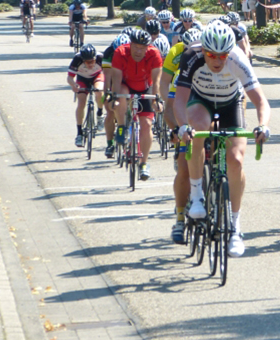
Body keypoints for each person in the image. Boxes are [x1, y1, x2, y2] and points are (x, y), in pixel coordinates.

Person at [173, 22, 271, 256]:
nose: (217, 61)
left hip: (231, 103)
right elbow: (179, 100)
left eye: (222, 55)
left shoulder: (238, 59)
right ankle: (196, 196)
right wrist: (182, 127)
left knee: (236, 159)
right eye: (211, 55)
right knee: (197, 127)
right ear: (203, 50)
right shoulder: (191, 56)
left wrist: (263, 126)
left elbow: (261, 101)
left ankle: (235, 227)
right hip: (201, 100)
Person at [159, 27, 202, 244]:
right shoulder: (181, 66)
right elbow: (170, 106)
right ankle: (179, 218)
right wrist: (177, 129)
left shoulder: (219, 67)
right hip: (187, 119)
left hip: (209, 114)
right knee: (184, 168)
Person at [109, 29, 164, 180]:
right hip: (126, 84)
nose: (139, 51)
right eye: (136, 47)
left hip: (146, 87)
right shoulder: (120, 52)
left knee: (146, 124)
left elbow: (157, 80)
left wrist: (156, 99)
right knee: (120, 96)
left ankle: (144, 163)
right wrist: (114, 98)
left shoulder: (154, 54)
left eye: (142, 48)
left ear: (148, 47)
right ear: (130, 44)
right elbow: (116, 79)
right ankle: (121, 127)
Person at [67, 44, 106, 147]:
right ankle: (79, 133)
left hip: (97, 76)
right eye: (87, 62)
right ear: (83, 60)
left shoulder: (101, 57)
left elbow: (108, 73)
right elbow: (69, 78)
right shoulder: (77, 58)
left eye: (92, 61)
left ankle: (100, 113)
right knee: (81, 103)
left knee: (99, 90)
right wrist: (73, 85)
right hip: (82, 78)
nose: (91, 64)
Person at [100, 33, 130, 158]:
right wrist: (108, 93)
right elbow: (107, 76)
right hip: (113, 79)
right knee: (110, 111)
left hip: (127, 79)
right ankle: (110, 144)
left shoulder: (131, 51)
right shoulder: (108, 52)